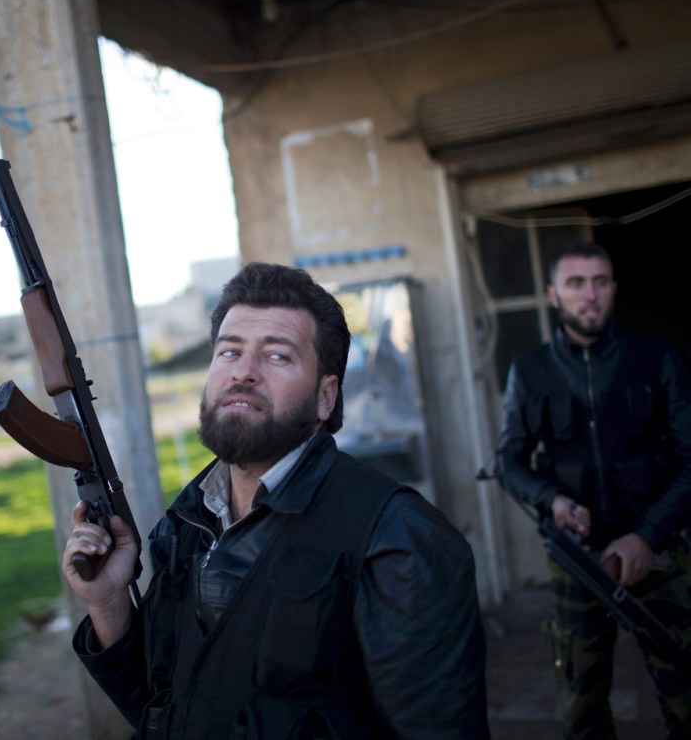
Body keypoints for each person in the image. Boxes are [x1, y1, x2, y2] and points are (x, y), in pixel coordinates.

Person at [63, 262, 490, 738]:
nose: (243, 373)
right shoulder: (186, 524)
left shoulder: (397, 537)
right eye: (229, 352)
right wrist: (107, 604)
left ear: (326, 397)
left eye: (278, 356)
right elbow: (163, 710)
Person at [496, 242, 691, 738]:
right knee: (582, 704)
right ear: (553, 295)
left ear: (614, 289)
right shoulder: (531, 370)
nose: (590, 295)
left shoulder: (656, 359)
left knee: (685, 690)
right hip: (577, 561)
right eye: (577, 283)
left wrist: (645, 537)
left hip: (659, 555)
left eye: (601, 281)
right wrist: (552, 500)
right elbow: (508, 461)